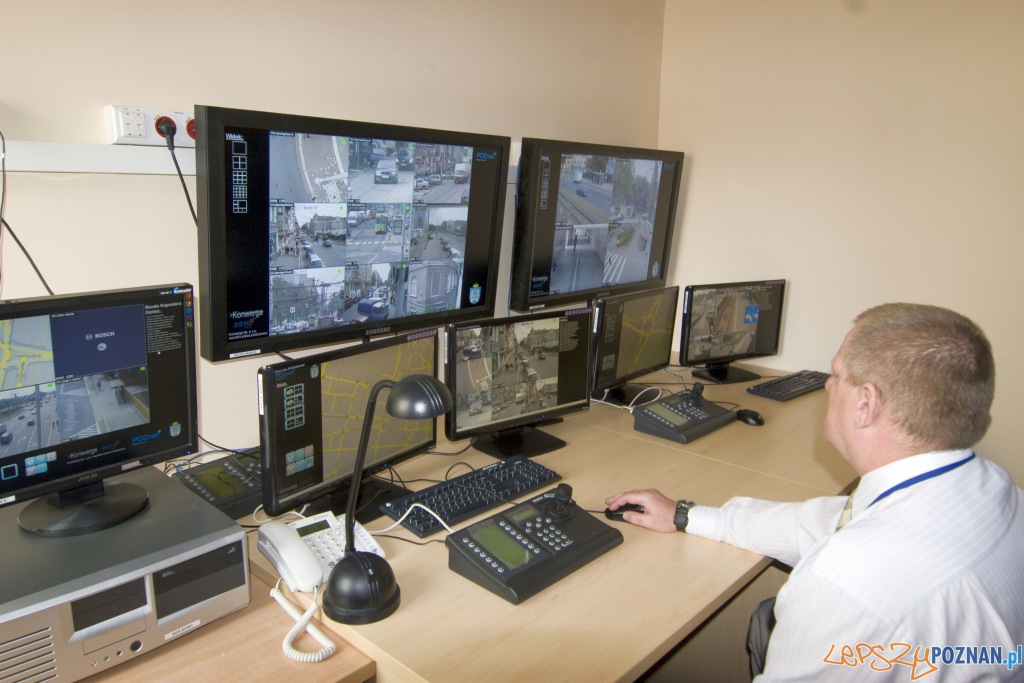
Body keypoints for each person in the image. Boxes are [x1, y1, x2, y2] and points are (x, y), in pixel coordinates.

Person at [605, 303, 1024, 681]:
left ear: (866, 404)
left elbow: (847, 558)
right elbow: (830, 521)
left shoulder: (849, 583)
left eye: (836, 375)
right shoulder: (994, 488)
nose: (826, 386)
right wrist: (685, 515)